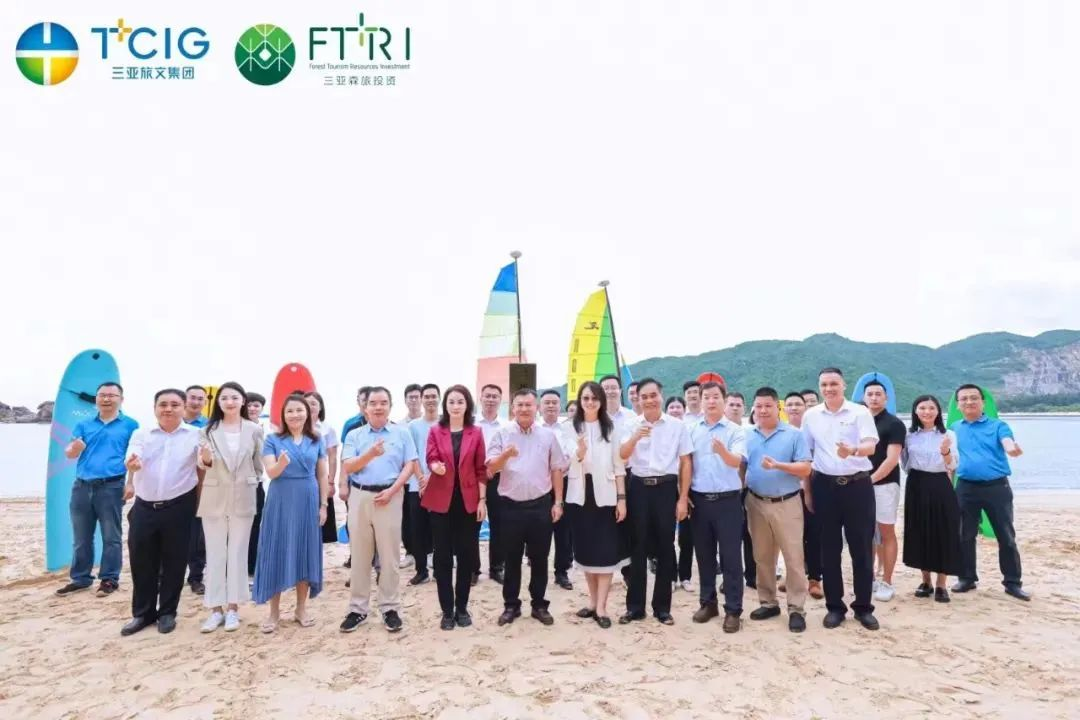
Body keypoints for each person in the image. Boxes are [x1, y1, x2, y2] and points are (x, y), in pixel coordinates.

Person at [802, 368, 881, 630]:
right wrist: (808, 492)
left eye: (833, 383)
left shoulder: (859, 412)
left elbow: (871, 445)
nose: (829, 388)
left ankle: (863, 607)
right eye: (824, 384)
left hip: (858, 486)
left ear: (844, 385)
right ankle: (835, 607)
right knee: (829, 549)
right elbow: (806, 455)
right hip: (824, 487)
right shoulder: (811, 416)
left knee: (862, 548)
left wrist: (854, 450)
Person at [121, 389, 202, 636]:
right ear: (155, 408)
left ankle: (167, 612)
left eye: (175, 404)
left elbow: (203, 465)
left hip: (179, 505)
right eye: (163, 404)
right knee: (141, 561)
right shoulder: (141, 433)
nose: (168, 409)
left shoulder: (196, 434)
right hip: (145, 505)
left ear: (184, 407)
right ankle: (142, 613)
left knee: (175, 562)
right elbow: (133, 456)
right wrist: (132, 465)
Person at [339, 387, 418, 633]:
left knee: (389, 556)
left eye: (383, 402)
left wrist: (393, 490)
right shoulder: (354, 435)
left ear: (390, 406)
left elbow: (410, 464)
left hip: (390, 496)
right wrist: (370, 454)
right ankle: (358, 609)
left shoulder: (402, 432)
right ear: (365, 407)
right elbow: (349, 466)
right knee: (360, 555)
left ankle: (390, 607)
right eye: (373, 403)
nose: (378, 407)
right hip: (360, 496)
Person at [486, 389, 567, 626]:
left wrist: (558, 502)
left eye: (528, 405)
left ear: (536, 408)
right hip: (510, 507)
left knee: (540, 558)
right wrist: (506, 455)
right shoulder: (502, 434)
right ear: (512, 408)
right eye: (519, 405)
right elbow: (491, 468)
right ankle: (511, 605)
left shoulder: (548, 436)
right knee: (511, 559)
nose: (524, 409)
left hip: (540, 506)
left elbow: (556, 469)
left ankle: (539, 604)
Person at [618, 378, 693, 626]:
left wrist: (683, 498)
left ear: (661, 396)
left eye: (653, 395)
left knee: (665, 547)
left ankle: (662, 608)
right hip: (638, 487)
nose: (649, 400)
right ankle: (635, 608)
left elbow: (685, 462)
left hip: (666, 488)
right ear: (638, 399)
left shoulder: (677, 426)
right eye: (644, 396)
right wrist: (634, 438)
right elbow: (622, 456)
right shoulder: (630, 425)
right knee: (636, 547)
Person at [253, 394, 329, 633]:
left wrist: (324, 505)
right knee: (276, 549)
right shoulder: (272, 439)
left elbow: (322, 474)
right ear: (283, 415)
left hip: (308, 498)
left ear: (307, 413)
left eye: (299, 410)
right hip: (281, 499)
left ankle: (301, 609)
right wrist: (281, 464)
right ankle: (274, 612)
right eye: (290, 411)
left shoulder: (317, 439)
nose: (295, 415)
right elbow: (271, 472)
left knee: (305, 550)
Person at [57, 382, 139, 598]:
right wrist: (73, 448)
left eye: (112, 395)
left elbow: (134, 457)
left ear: (121, 399)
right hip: (82, 486)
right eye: (102, 395)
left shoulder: (131, 425)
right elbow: (70, 452)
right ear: (96, 399)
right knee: (81, 537)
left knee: (111, 536)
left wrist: (131, 482)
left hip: (112, 486)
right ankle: (80, 578)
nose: (106, 399)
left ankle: (109, 579)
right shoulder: (84, 424)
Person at [196, 382, 265, 633]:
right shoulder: (207, 430)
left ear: (243, 400)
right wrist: (205, 457)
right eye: (224, 398)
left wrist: (253, 480)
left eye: (234, 397)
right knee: (215, 553)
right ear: (218, 402)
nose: (230, 402)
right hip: (214, 494)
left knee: (238, 551)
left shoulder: (254, 429)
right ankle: (215, 610)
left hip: (244, 495)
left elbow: (258, 463)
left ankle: (234, 608)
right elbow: (203, 463)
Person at [744, 388, 813, 633]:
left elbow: (805, 469)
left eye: (768, 406)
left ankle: (796, 608)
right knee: (762, 557)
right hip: (755, 502)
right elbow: (741, 466)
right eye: (758, 406)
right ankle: (768, 602)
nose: (763, 410)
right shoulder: (746, 434)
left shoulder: (794, 434)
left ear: (777, 407)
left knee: (793, 558)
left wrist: (778, 466)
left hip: (787, 502)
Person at [950, 384, 1029, 601]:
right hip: (965, 487)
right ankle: (966, 578)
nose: (969, 402)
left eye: (974, 398)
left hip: (996, 488)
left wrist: (1012, 448)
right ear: (958, 404)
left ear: (982, 402)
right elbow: (950, 459)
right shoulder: (954, 428)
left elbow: (1007, 442)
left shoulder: (998, 425)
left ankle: (1012, 582)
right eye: (964, 399)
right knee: (965, 535)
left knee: (1006, 536)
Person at [423, 385, 487, 629]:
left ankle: (462, 608)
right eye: (451, 402)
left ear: (467, 404)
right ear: (445, 405)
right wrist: (435, 467)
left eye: (460, 401)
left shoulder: (476, 432)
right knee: (442, 557)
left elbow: (481, 469)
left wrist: (482, 500)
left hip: (468, 502)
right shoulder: (435, 430)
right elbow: (430, 457)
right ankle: (447, 611)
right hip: (441, 501)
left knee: (466, 555)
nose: (456, 406)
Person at [566, 381, 628, 629]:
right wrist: (580, 451)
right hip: (579, 496)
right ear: (579, 401)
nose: (590, 402)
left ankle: (602, 607)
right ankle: (592, 603)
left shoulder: (611, 428)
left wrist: (621, 499)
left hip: (606, 495)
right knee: (586, 552)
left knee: (605, 553)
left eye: (594, 398)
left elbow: (619, 466)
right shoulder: (569, 427)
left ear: (601, 401)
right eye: (585, 398)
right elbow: (566, 461)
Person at [687, 381, 746, 632]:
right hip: (700, 501)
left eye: (715, 397)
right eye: (706, 397)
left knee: (731, 558)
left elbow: (736, 462)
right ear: (700, 401)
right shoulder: (691, 429)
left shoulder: (735, 431)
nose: (711, 401)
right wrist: (684, 494)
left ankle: (733, 610)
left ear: (724, 400)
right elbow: (686, 464)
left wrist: (722, 451)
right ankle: (708, 603)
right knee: (704, 556)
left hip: (728, 501)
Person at [902, 395, 961, 602]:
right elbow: (904, 462)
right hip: (916, 483)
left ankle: (941, 584)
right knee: (919, 530)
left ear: (938, 411)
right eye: (922, 408)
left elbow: (953, 465)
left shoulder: (948, 434)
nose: (927, 412)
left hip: (940, 482)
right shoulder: (909, 435)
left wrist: (945, 452)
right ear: (915, 411)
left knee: (943, 530)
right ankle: (925, 581)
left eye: (931, 408)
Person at [863, 381, 906, 603]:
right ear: (864, 397)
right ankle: (869, 578)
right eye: (869, 394)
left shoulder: (894, 424)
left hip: (885, 485)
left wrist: (869, 480)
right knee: (866, 533)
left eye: (878, 394)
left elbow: (891, 460)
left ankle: (887, 581)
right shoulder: (859, 421)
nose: (874, 397)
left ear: (886, 398)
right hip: (860, 485)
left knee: (886, 531)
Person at [779, 392, 823, 600]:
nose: (794, 408)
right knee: (791, 538)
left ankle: (814, 579)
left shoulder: (813, 431)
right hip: (786, 492)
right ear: (784, 408)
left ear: (806, 407)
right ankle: (792, 576)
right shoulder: (781, 432)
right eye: (790, 404)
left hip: (811, 488)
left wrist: (808, 492)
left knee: (813, 536)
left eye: (798, 404)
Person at [540, 389, 575, 590]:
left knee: (564, 531)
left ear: (559, 405)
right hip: (541, 485)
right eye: (547, 402)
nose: (551, 406)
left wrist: (562, 467)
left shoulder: (568, 429)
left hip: (564, 482)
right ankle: (539, 571)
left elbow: (573, 454)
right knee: (541, 530)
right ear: (540, 406)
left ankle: (561, 572)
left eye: (554, 402)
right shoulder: (534, 428)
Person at [406, 383, 441, 585]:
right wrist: (421, 479)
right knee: (417, 530)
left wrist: (431, 478)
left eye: (433, 396)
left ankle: (439, 569)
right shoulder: (413, 426)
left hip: (440, 484)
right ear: (421, 399)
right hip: (416, 485)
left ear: (439, 398)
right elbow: (411, 455)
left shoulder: (445, 424)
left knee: (439, 529)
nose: (430, 400)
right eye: (426, 396)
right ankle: (421, 571)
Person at [476, 384, 509, 584]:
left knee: (499, 524)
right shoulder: (471, 423)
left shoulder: (507, 426)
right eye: (487, 396)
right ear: (480, 398)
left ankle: (497, 568)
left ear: (500, 400)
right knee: (472, 524)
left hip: (498, 479)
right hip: (474, 479)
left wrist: (494, 468)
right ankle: (473, 569)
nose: (490, 399)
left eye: (494, 396)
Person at [664, 395, 694, 593]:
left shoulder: (689, 431)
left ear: (684, 410)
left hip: (687, 490)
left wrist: (686, 491)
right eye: (671, 407)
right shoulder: (663, 431)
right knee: (667, 536)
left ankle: (685, 576)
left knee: (687, 537)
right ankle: (671, 576)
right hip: (667, 488)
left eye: (678, 407)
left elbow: (689, 463)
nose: (675, 410)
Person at [304, 392, 341, 548]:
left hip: (321, 477)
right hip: (301, 477)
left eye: (314, 403)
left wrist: (331, 482)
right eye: (306, 403)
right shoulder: (296, 427)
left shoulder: (327, 429)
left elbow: (332, 457)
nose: (310, 407)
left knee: (320, 520)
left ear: (320, 407)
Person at [183, 385, 209, 596]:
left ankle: (196, 577)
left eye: (200, 399)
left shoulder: (209, 427)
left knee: (198, 536)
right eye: (192, 397)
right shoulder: (173, 422)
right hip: (174, 485)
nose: (196, 402)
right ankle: (165, 575)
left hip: (201, 485)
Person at [399, 383, 424, 568]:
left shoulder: (430, 422)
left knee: (426, 518)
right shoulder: (399, 425)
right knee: (407, 518)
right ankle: (410, 553)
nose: (414, 400)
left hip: (425, 479)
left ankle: (428, 552)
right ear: (405, 400)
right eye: (411, 397)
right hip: (406, 480)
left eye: (417, 397)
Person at [245, 392, 268, 580]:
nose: (252, 408)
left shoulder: (266, 428)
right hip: (237, 485)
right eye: (249, 405)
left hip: (259, 483)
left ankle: (251, 566)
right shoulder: (236, 427)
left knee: (255, 526)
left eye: (256, 405)